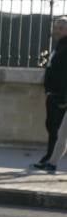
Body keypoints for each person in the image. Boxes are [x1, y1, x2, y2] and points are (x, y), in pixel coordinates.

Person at [35, 16, 67, 173]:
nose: (57, 30)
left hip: (60, 97)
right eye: (56, 27)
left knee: (58, 131)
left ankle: (50, 160)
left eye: (61, 27)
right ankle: (50, 159)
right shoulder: (59, 46)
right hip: (53, 94)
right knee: (54, 128)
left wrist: (63, 98)